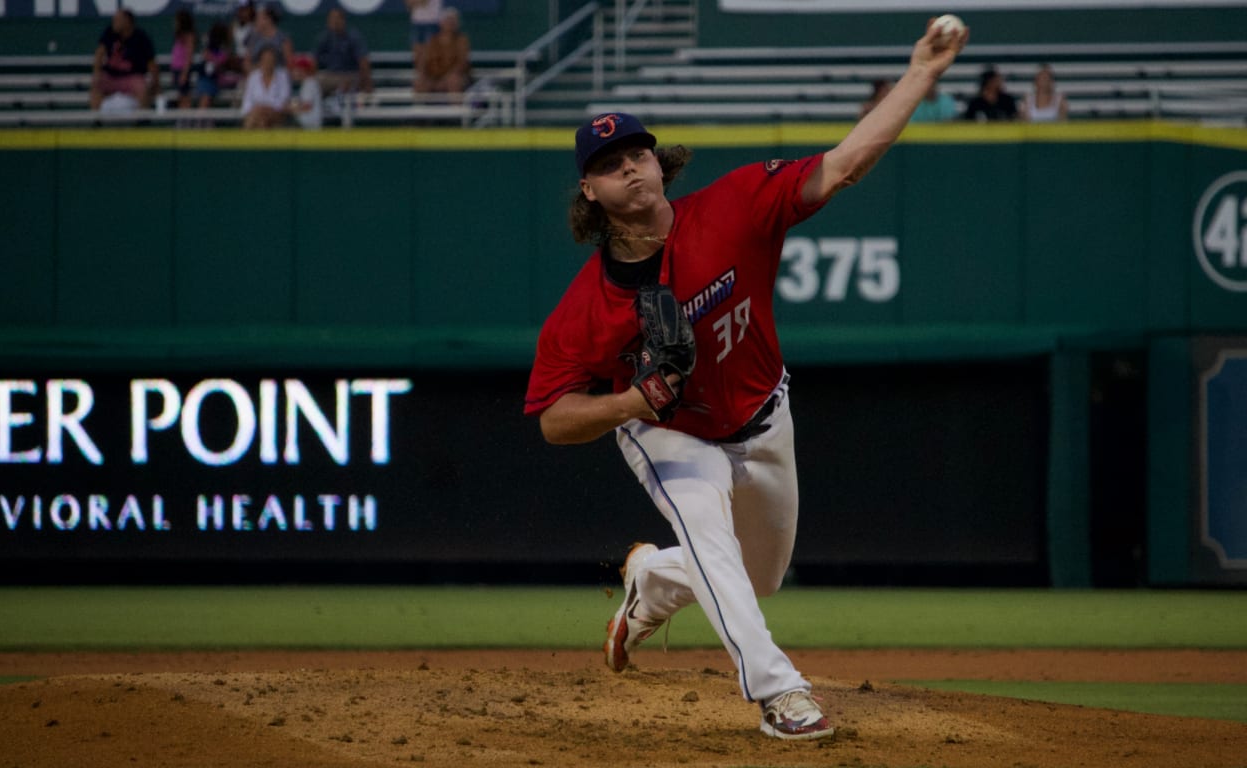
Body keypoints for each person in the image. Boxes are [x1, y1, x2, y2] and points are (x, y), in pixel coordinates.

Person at [523, 17, 967, 742]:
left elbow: (847, 162)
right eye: (611, 162)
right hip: (671, 433)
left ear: (661, 162)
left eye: (638, 150)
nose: (631, 165)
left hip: (765, 414)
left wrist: (922, 71)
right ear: (591, 192)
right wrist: (634, 401)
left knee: (754, 579)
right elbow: (552, 418)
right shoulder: (587, 307)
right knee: (712, 540)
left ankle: (653, 583)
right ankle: (780, 695)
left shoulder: (733, 206)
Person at [88, 9, 159, 111]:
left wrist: (156, 83)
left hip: (132, 76)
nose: (114, 22)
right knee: (97, 85)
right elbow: (99, 53)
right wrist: (96, 74)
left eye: (117, 20)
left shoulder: (141, 37)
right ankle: (96, 121)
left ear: (127, 21)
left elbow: (151, 63)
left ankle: (141, 120)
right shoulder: (110, 33)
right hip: (111, 76)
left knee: (142, 87)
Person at [314, 8, 373, 98]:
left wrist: (367, 83)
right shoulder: (326, 37)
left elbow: (363, 61)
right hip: (331, 74)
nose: (334, 22)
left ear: (343, 20)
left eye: (336, 18)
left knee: (345, 84)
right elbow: (314, 59)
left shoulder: (353, 37)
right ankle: (317, 109)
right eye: (331, 19)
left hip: (350, 74)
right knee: (313, 82)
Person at [414, 7, 470, 96]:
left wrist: (445, 80)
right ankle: (420, 109)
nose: (450, 23)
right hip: (434, 77)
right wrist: (423, 75)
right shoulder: (432, 41)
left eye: (452, 21)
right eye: (447, 20)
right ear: (441, 23)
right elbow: (425, 62)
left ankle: (456, 109)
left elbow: (462, 63)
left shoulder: (461, 40)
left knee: (454, 81)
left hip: (455, 77)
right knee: (420, 83)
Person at [240, 46, 290, 128]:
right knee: (258, 119)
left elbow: (284, 99)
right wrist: (257, 109)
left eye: (271, 59)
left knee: (262, 118)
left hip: (276, 113)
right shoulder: (253, 77)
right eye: (265, 59)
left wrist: (267, 108)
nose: (268, 62)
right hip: (256, 113)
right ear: (260, 61)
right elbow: (247, 101)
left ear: (275, 61)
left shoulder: (283, 76)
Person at [242, 3, 294, 76]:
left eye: (258, 18)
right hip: (256, 76)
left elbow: (289, 64)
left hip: (278, 76)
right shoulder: (253, 37)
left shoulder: (283, 39)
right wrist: (257, 73)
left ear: (268, 19)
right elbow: (246, 63)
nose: (256, 21)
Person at [192, 23, 232, 110]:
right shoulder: (210, 47)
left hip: (214, 80)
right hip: (206, 79)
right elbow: (207, 57)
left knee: (206, 102)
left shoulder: (222, 49)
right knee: (204, 102)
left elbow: (222, 61)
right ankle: (200, 121)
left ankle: (204, 121)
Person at [405, 0, 444, 74]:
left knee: (430, 56)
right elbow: (408, 4)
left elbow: (424, 2)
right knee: (417, 56)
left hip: (432, 23)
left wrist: (414, 3)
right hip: (416, 23)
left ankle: (431, 78)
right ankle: (421, 78)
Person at [169, 9, 197, 109]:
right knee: (180, 96)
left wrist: (184, 74)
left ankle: (186, 119)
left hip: (183, 70)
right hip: (176, 69)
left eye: (177, 21)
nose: (175, 23)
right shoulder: (178, 36)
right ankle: (182, 118)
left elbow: (189, 57)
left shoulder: (189, 36)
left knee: (185, 96)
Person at [288, 54, 323, 130]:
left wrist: (290, 108)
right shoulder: (307, 82)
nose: (293, 72)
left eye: (296, 69)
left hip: (309, 123)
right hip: (308, 122)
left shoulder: (310, 82)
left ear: (303, 70)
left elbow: (307, 106)